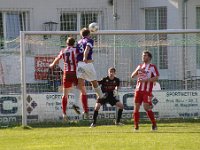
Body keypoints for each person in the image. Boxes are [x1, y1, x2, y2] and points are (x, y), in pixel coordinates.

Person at [49, 37, 86, 121]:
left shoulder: (63, 51)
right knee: (83, 91)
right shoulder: (76, 50)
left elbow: (57, 59)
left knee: (65, 94)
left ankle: (64, 113)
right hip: (76, 73)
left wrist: (52, 64)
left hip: (67, 73)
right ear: (74, 43)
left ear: (66, 43)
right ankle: (83, 109)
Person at [76, 28, 105, 117]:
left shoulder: (79, 42)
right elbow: (87, 49)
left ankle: (78, 104)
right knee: (94, 81)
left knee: (80, 85)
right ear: (89, 34)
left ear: (81, 35)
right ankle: (101, 96)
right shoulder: (90, 40)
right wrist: (85, 57)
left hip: (79, 65)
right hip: (87, 63)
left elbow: (76, 53)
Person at [131, 51, 159, 131]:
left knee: (146, 107)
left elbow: (156, 77)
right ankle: (136, 127)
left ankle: (154, 124)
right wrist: (137, 72)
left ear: (149, 57)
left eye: (145, 56)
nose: (143, 57)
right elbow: (132, 76)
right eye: (143, 55)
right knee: (136, 108)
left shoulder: (152, 67)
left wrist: (146, 80)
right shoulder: (139, 66)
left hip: (146, 91)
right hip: (138, 90)